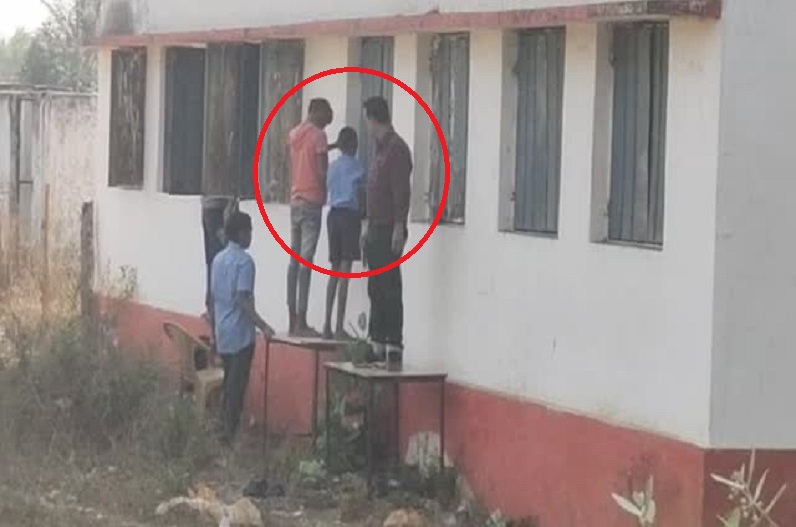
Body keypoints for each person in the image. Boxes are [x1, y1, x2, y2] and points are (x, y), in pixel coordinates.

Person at [210, 211, 275, 444]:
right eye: (249, 232)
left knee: (228, 384)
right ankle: (228, 436)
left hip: (223, 331)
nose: (251, 236)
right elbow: (242, 299)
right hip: (240, 335)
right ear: (241, 233)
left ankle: (222, 431)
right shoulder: (245, 262)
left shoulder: (218, 260)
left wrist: (213, 331)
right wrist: (263, 326)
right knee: (236, 388)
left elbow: (213, 297)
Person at [361, 96, 412, 365]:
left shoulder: (396, 149)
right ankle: (377, 340)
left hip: (389, 226)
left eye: (367, 120)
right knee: (376, 287)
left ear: (373, 119)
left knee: (390, 286)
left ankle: (393, 343)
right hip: (375, 225)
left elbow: (401, 191)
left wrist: (399, 226)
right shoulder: (378, 150)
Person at [287, 98, 333, 337]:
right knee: (306, 261)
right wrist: (328, 192)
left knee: (294, 261)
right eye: (325, 118)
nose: (326, 124)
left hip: (295, 200)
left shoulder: (295, 134)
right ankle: (303, 321)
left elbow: (305, 158)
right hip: (312, 201)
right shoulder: (319, 136)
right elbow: (322, 170)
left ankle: (292, 319)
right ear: (316, 111)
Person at [323, 127, 366, 340]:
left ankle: (327, 323)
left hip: (333, 215)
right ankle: (339, 326)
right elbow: (362, 192)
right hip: (349, 216)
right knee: (345, 271)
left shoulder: (332, 167)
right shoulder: (358, 167)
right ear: (355, 145)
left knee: (334, 270)